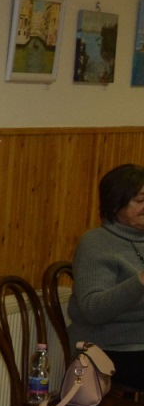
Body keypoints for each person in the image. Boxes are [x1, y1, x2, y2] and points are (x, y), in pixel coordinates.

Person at [71, 163, 144, 391]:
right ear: (115, 203)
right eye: (140, 200)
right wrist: (140, 281)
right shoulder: (96, 243)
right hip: (110, 349)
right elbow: (94, 309)